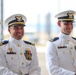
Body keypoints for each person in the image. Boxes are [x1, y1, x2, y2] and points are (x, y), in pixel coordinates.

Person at [46, 10, 76, 75]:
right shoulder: (52, 44)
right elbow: (53, 69)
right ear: (59, 24)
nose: (69, 27)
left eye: (71, 23)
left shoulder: (75, 42)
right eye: (66, 24)